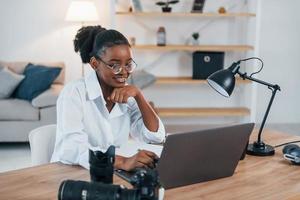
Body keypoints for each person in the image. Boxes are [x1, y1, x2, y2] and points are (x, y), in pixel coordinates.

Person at [51, 25, 165, 171]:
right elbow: (72, 149)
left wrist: (139, 95)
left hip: (109, 172)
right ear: (94, 63)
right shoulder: (74, 93)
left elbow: (155, 137)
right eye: (114, 65)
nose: (124, 72)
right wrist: (122, 162)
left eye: (128, 64)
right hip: (70, 173)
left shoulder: (128, 95)